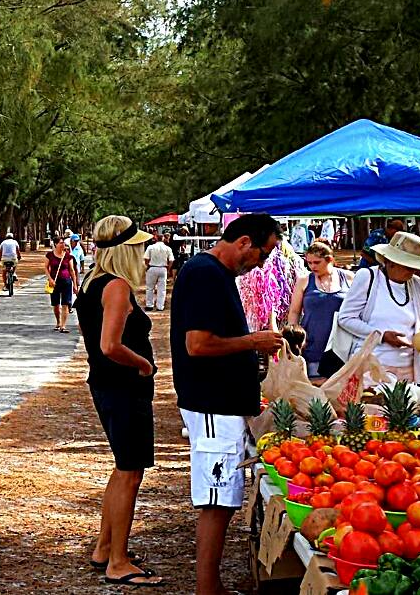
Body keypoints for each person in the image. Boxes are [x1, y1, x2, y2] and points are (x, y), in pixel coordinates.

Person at [170, 214, 286, 595]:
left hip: (220, 403)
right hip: (211, 403)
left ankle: (211, 584)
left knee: (222, 496)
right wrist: (252, 342)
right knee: (217, 498)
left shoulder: (214, 273)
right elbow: (198, 345)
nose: (262, 264)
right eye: (263, 254)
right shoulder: (205, 274)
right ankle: (207, 587)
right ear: (244, 242)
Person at [76, 216, 162, 587]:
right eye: (137, 247)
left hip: (107, 385)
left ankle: (105, 546)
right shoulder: (116, 287)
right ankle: (118, 561)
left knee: (123, 467)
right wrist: (143, 364)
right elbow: (108, 345)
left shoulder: (91, 283)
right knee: (130, 472)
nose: (142, 253)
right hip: (124, 387)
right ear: (125, 250)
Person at [337, 232, 420, 383]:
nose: (413, 271)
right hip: (371, 366)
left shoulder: (418, 285)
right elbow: (346, 318)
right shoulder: (367, 277)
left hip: (408, 368)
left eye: (415, 266)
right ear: (390, 261)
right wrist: (382, 336)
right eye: (407, 266)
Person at [287, 241, 353, 380]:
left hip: (342, 344)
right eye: (309, 263)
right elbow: (294, 311)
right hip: (313, 344)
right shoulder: (304, 281)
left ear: (330, 259)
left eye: (317, 262)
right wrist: (294, 337)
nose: (312, 266)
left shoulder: (348, 278)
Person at [46, 234, 79, 332]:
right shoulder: (50, 255)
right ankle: (58, 322)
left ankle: (63, 326)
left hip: (66, 281)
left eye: (63, 243)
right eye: (60, 243)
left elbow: (72, 270)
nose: (63, 245)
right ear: (55, 244)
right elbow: (46, 268)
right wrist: (50, 279)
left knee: (65, 303)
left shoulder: (68, 256)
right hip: (54, 283)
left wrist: (75, 284)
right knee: (55, 304)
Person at [143, 234, 174, 311]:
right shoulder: (167, 248)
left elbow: (146, 258)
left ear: (156, 238)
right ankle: (160, 306)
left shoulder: (150, 247)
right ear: (163, 239)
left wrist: (147, 265)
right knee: (162, 289)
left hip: (152, 267)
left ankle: (149, 305)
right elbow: (171, 260)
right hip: (163, 268)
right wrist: (168, 268)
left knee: (150, 288)